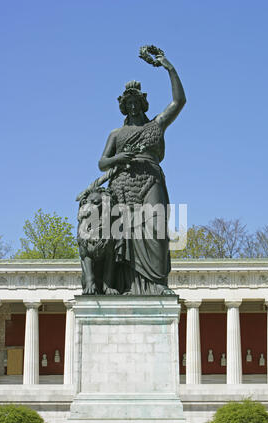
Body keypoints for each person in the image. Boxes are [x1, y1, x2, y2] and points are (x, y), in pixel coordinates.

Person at [98, 54, 186, 295]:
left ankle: (156, 283)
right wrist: (119, 158)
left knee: (156, 230)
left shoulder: (155, 125)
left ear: (143, 104)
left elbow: (179, 101)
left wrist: (169, 67)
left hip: (151, 179)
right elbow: (102, 162)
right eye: (129, 104)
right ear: (124, 107)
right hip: (123, 184)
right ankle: (126, 285)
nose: (133, 107)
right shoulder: (116, 134)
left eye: (137, 102)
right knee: (125, 234)